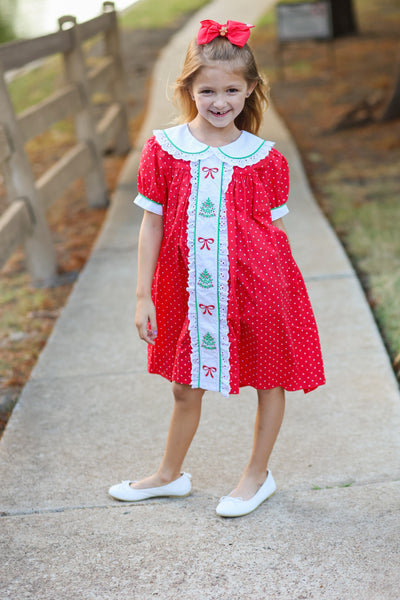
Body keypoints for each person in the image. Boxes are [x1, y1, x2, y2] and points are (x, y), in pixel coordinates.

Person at [109, 19, 325, 517]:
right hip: (188, 287)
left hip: (261, 284)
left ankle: (257, 476)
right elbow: (151, 225)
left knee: (269, 378)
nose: (220, 101)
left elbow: (273, 233)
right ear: (189, 89)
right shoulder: (164, 150)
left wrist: (283, 295)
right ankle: (168, 475)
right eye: (208, 90)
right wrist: (143, 295)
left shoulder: (265, 158)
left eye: (232, 89)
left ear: (250, 90)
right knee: (185, 384)